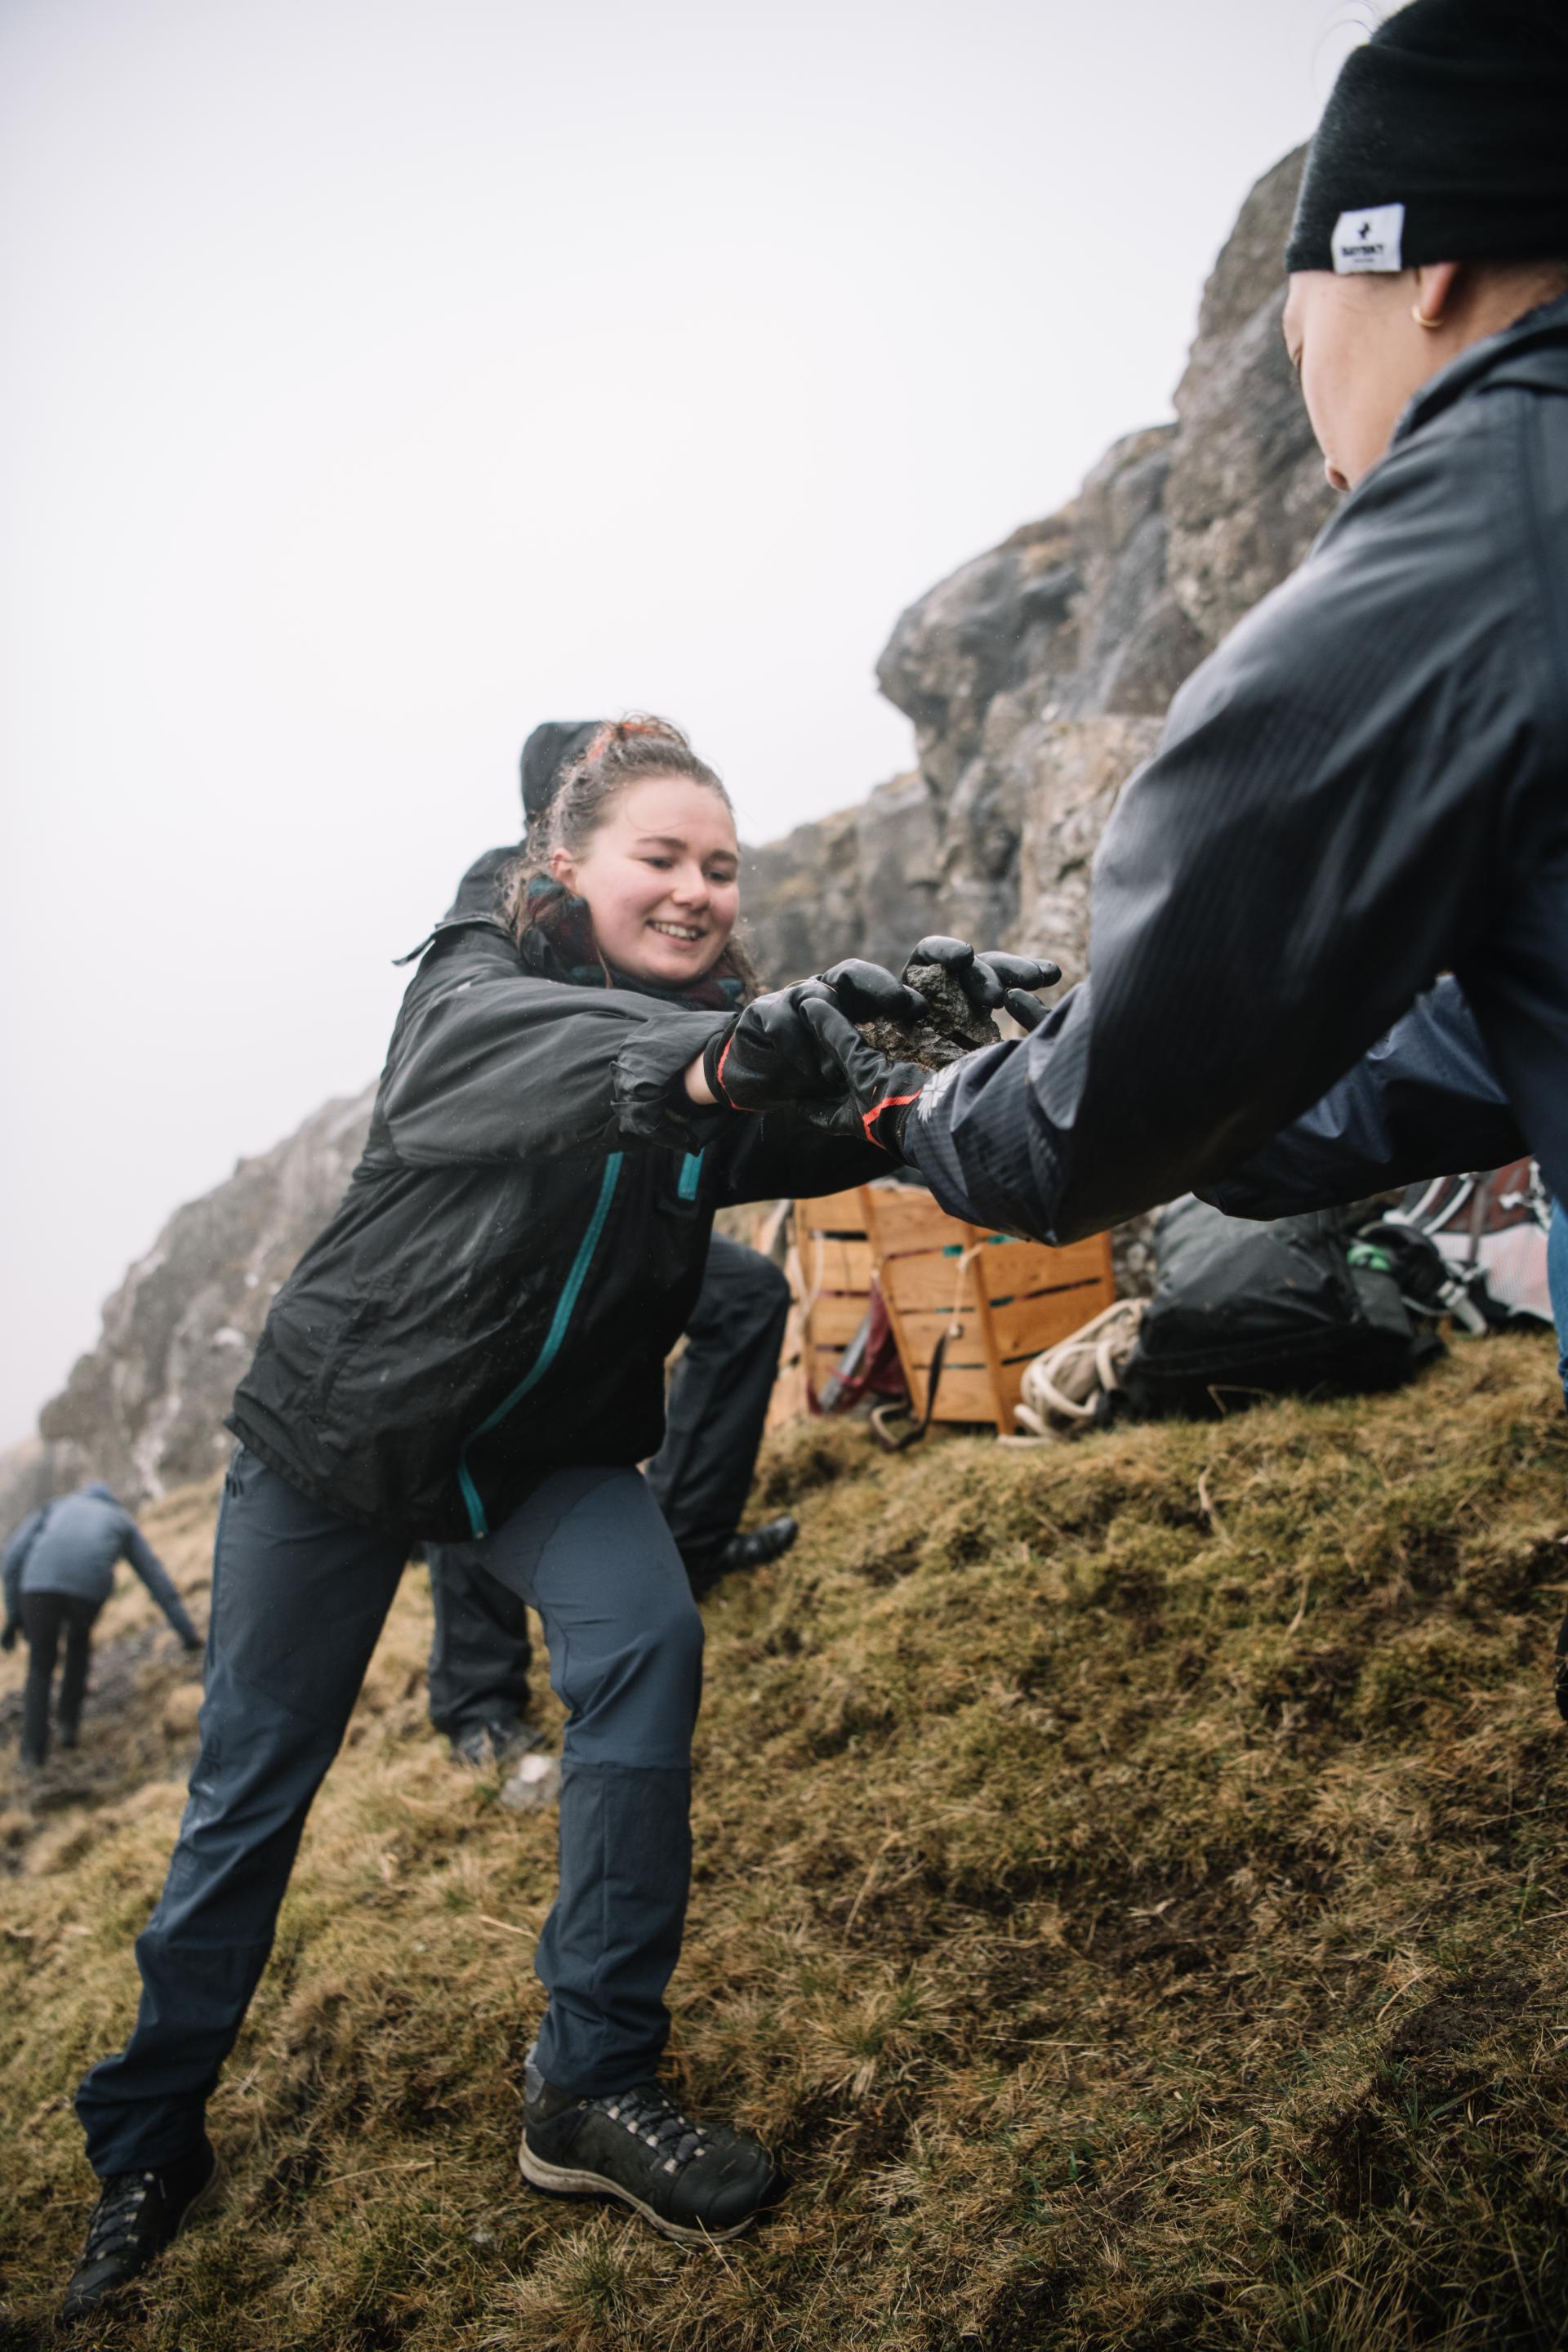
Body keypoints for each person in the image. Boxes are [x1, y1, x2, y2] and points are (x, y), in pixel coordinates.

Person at [59, 715, 1041, 2320]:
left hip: (537, 1454)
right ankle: (149, 2139)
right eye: (662, 857)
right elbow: (487, 1069)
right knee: (251, 1792)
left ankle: (588, 2084)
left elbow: (829, 1129)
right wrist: (715, 1059)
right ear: (562, 866)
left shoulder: (724, 1027)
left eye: (722, 866)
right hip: (337, 1445)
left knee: (648, 1635)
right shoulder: (473, 974)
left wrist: (974, 1075)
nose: (698, 890)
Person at [756, 1, 1568, 1306]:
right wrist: (1221, 1104)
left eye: (1304, 344)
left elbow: (1088, 1123)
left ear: (1423, 265)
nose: (1320, 449)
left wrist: (922, 1103)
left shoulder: (1476, 526)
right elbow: (1486, 1045)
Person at [426, 721, 797, 1774]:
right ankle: (478, 1705)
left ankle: (685, 1544)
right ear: (559, 825)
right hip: (498, 1233)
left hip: (621, 1218)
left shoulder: (660, 929)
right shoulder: (502, 914)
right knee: (481, 1418)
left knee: (748, 1295)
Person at [2, 1481, 200, 1768]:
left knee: (39, 1666)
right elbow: (153, 1575)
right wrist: (188, 1634)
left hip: (37, 1588)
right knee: (78, 1643)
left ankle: (32, 1754)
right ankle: (68, 1727)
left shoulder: (58, 1505)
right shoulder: (119, 1519)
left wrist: (13, 1616)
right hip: (86, 1589)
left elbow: (12, 1559)